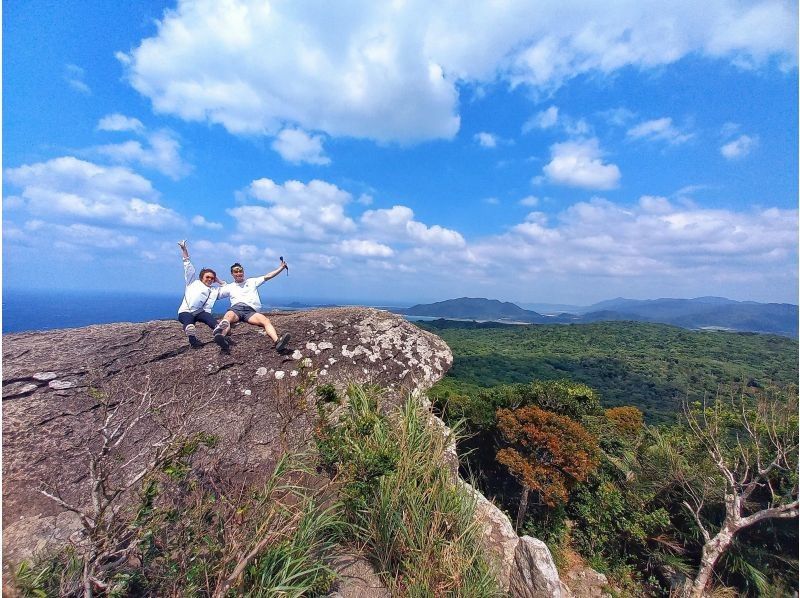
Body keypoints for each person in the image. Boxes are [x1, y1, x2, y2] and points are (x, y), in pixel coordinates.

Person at [213, 260, 291, 352]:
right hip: (236, 309)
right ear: (232, 274)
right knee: (227, 318)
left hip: (251, 311)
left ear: (243, 272)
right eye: (236, 272)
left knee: (265, 320)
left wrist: (281, 268)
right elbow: (215, 295)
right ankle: (221, 338)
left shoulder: (252, 281)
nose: (239, 273)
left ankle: (278, 342)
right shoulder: (230, 286)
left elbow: (268, 276)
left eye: (240, 271)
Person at [176, 240, 226, 349]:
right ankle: (191, 337)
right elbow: (187, 265)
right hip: (186, 311)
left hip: (200, 312)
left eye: (212, 278)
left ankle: (217, 331)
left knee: (209, 318)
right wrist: (184, 249)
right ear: (201, 277)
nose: (210, 279)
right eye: (207, 277)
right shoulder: (192, 282)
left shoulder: (214, 290)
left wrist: (219, 281)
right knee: (188, 322)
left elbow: (228, 290)